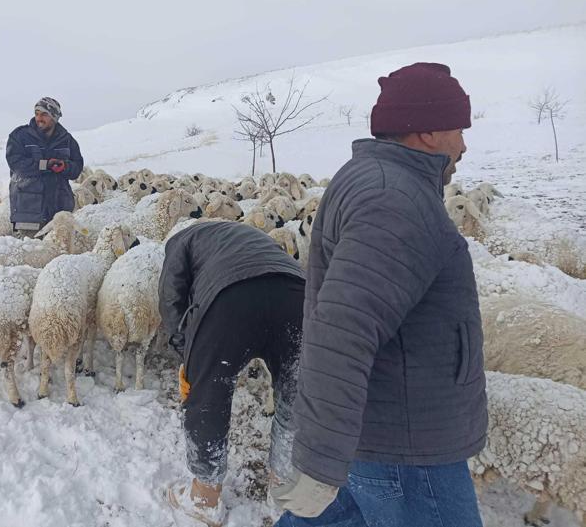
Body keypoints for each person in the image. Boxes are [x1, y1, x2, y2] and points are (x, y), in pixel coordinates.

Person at [273, 62, 487, 527]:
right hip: (408, 449)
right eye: (458, 128)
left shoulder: (375, 179)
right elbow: (344, 329)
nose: (464, 144)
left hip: (378, 430)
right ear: (427, 131)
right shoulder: (396, 199)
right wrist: (321, 461)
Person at [159, 221, 305, 527]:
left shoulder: (180, 242)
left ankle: (204, 497)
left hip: (231, 301)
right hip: (296, 295)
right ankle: (284, 489)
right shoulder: (251, 238)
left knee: (209, 397)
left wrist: (188, 356)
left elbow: (172, 297)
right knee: (297, 394)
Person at [6, 97, 84, 236]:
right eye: (37, 113)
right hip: (29, 210)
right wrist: (45, 165)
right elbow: (16, 163)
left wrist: (64, 166)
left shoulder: (67, 140)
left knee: (60, 253)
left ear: (54, 117)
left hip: (60, 209)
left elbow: (77, 168)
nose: (39, 118)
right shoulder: (20, 136)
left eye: (44, 114)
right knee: (33, 253)